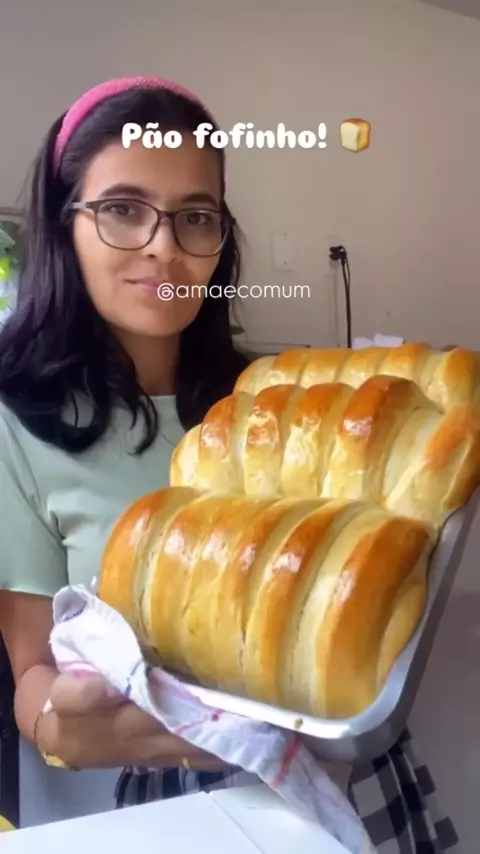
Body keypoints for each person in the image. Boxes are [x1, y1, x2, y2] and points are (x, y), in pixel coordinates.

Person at [0, 76, 458, 853]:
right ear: (64, 222)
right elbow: (34, 674)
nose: (164, 246)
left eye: (195, 216)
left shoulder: (268, 400)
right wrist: (57, 727)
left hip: (349, 779)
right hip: (166, 801)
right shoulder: (18, 426)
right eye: (123, 209)